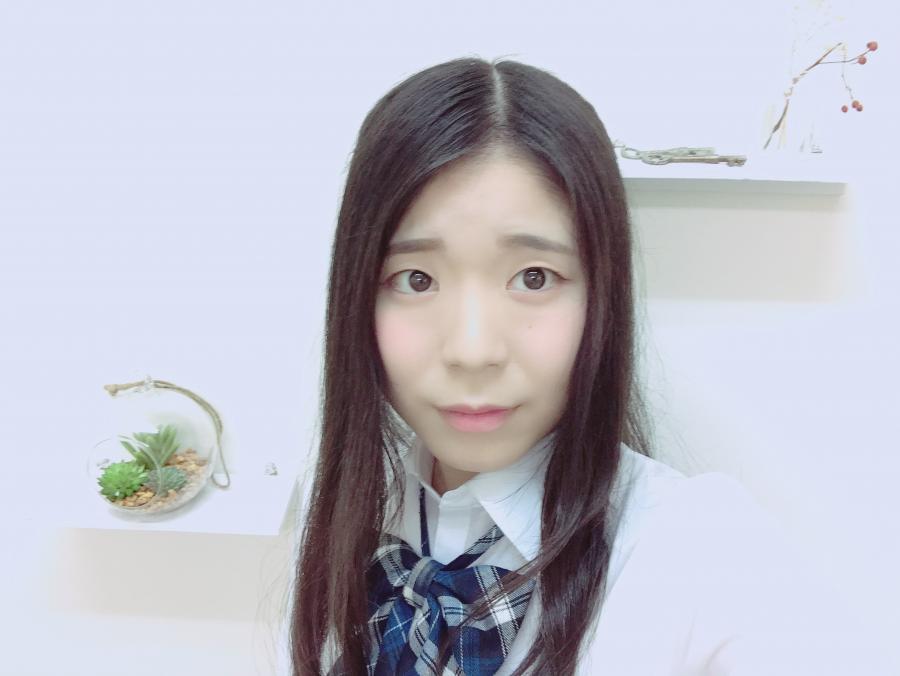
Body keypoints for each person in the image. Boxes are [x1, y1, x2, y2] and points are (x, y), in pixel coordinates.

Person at [288, 56, 881, 675]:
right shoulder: (337, 519)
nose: (473, 349)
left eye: (533, 277)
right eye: (416, 279)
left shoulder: (701, 550)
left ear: (602, 295)